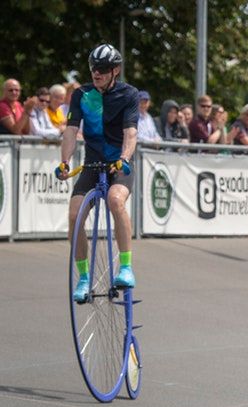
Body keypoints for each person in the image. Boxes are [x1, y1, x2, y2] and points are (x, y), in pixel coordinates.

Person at [55, 44, 139, 300]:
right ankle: (83, 278)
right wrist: (65, 161)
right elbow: (70, 130)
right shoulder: (81, 94)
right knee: (74, 215)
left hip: (117, 165)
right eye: (93, 68)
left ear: (115, 70)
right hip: (92, 164)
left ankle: (125, 267)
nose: (96, 73)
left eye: (102, 69)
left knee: (115, 200)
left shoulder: (129, 94)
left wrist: (124, 158)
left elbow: (131, 133)